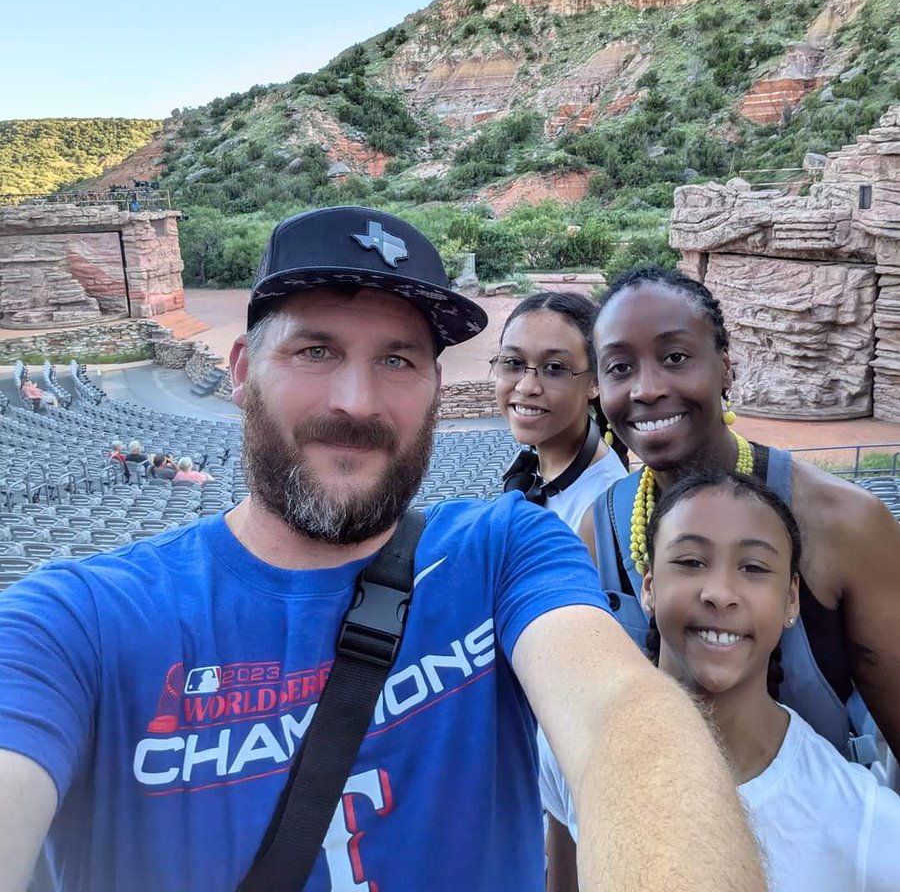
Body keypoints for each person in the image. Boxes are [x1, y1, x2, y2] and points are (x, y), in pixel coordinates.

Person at [0, 207, 767, 892]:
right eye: (315, 351)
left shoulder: (504, 547)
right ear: (240, 372)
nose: (356, 403)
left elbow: (623, 719)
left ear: (436, 386)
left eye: (398, 360)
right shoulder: (72, 622)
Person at [581, 265, 900, 763]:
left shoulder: (844, 524)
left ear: (726, 366)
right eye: (619, 367)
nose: (645, 388)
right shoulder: (601, 528)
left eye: (676, 357)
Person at [543, 469, 900, 892]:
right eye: (691, 562)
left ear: (791, 600)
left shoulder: (866, 826)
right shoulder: (572, 746)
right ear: (649, 588)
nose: (720, 592)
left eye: (753, 567)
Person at [492, 292, 626, 530]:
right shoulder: (535, 466)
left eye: (554, 367)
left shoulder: (602, 515)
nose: (526, 386)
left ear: (595, 381)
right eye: (513, 363)